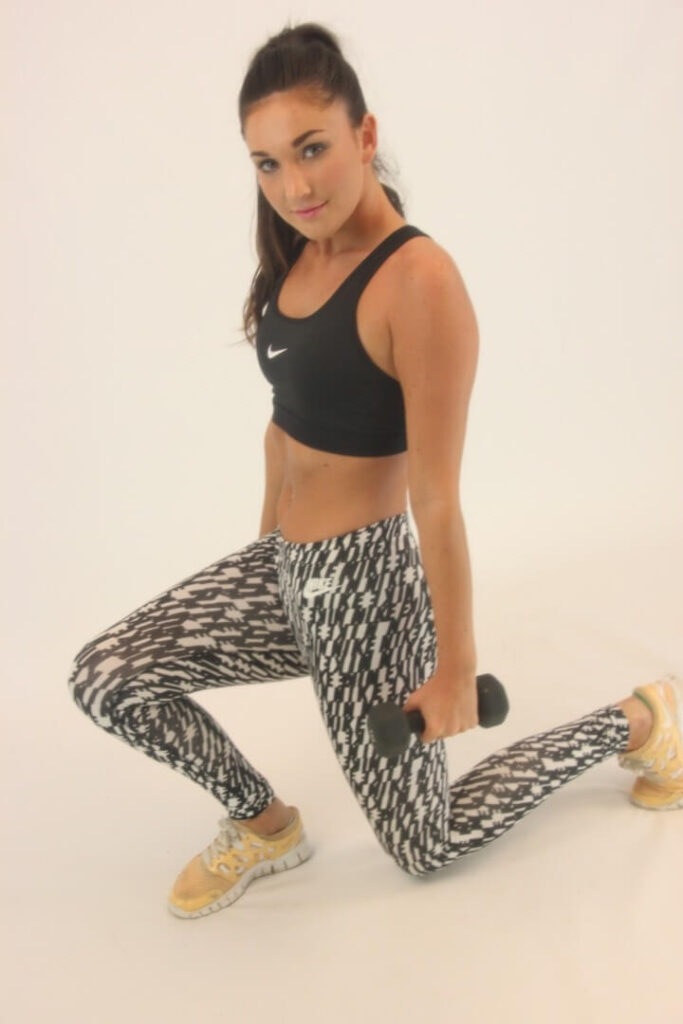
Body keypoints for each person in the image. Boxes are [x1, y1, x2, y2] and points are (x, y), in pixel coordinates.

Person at [67, 21, 683, 920]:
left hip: (364, 592)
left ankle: (640, 719)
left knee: (426, 846)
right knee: (107, 676)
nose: (294, 185)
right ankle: (265, 826)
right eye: (267, 163)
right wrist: (262, 557)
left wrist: (454, 668)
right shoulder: (297, 257)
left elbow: (435, 498)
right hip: (286, 570)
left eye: (311, 148)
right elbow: (282, 430)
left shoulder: (418, 281)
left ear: (364, 135)